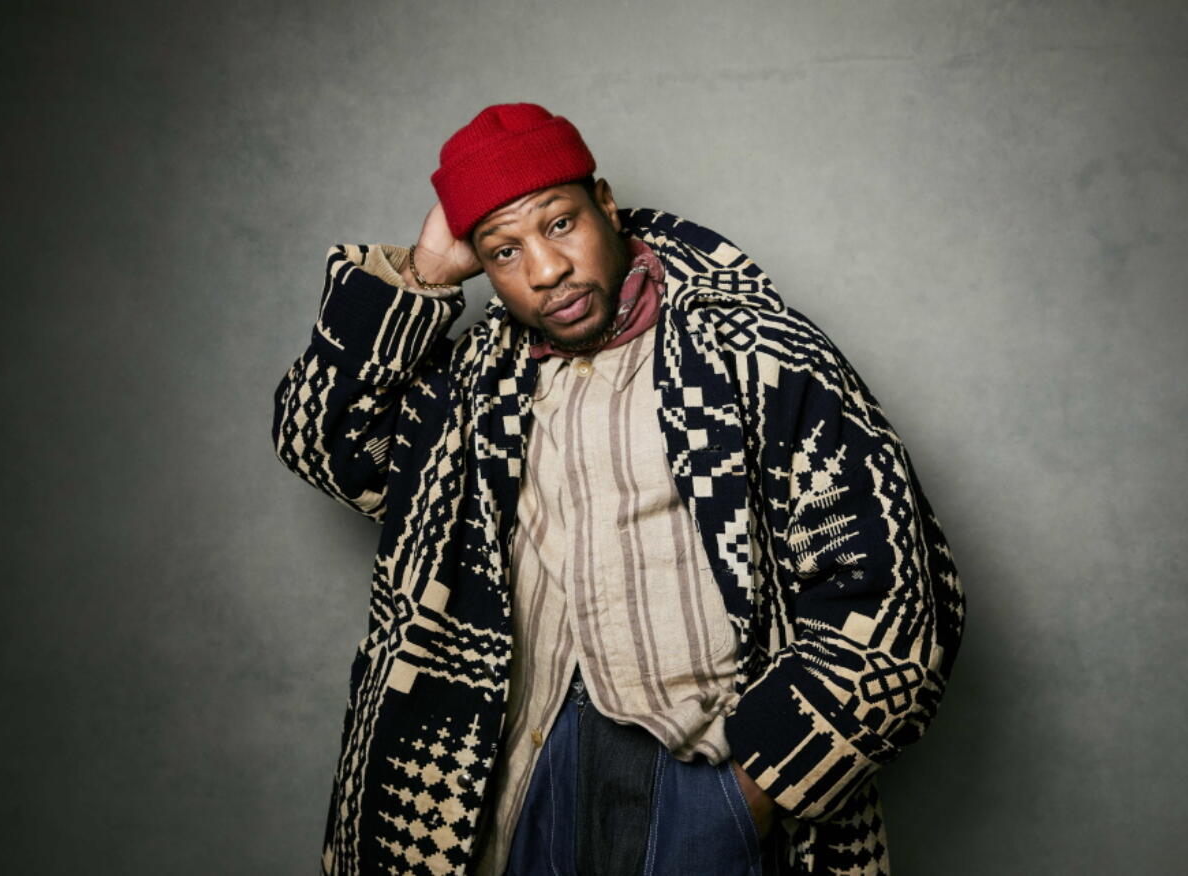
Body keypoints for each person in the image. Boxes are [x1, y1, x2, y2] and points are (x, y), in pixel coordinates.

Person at [271, 103, 965, 876]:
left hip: (704, 770)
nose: (545, 270)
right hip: (510, 769)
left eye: (559, 224)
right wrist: (427, 275)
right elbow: (324, 448)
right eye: (504, 251)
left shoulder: (754, 355)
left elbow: (901, 600)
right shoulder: (474, 385)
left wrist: (756, 791)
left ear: (604, 203)